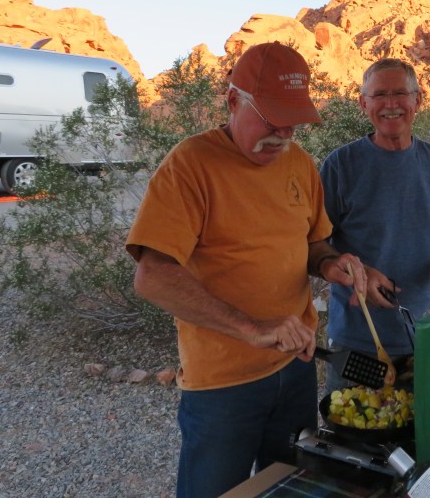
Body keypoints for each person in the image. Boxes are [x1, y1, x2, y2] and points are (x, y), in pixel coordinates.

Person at [126, 42, 367, 498]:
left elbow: (313, 243)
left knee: (291, 488)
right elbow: (152, 274)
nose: (281, 134)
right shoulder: (191, 164)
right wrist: (251, 328)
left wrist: (334, 264)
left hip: (296, 366)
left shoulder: (299, 164)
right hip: (223, 384)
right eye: (271, 119)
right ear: (233, 100)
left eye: (292, 122)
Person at [319, 58, 430, 387]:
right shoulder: (340, 166)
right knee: (353, 433)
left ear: (417, 100)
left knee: (421, 437)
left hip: (426, 338)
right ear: (364, 104)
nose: (390, 105)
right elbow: (315, 246)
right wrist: (355, 272)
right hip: (357, 343)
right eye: (379, 95)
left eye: (400, 94)